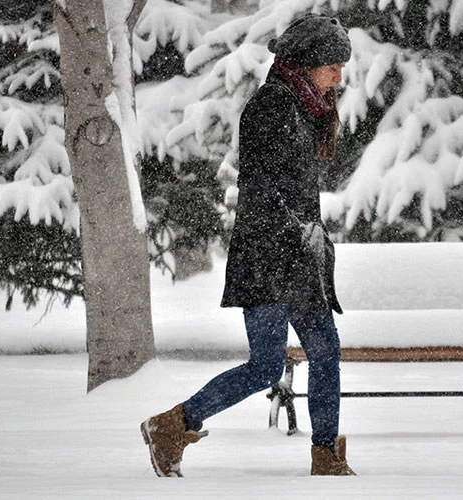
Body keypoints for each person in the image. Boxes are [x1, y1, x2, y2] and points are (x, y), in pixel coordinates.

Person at [140, 14, 355, 477]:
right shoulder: (272, 106)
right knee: (264, 367)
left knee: (325, 350)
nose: (339, 75)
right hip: (269, 257)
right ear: (307, 62)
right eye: (332, 65)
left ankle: (326, 457)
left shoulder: (302, 106)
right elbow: (264, 188)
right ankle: (172, 425)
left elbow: (295, 184)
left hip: (297, 254)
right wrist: (299, 228)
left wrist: (309, 233)